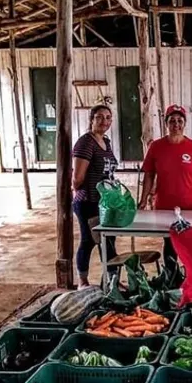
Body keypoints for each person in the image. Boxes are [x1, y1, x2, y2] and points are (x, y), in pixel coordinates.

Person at [139, 104, 192, 273]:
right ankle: (171, 280)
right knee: (170, 244)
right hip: (165, 206)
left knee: (190, 243)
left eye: (179, 120)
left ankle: (190, 279)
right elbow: (149, 175)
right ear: (166, 124)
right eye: (172, 121)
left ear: (184, 123)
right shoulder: (156, 147)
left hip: (190, 206)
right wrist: (143, 199)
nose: (176, 124)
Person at [71, 104, 119, 289]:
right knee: (89, 240)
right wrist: (85, 191)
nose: (104, 121)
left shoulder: (105, 141)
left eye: (108, 117)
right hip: (89, 201)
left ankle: (112, 281)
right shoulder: (86, 143)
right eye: (99, 117)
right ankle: (82, 281)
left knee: (108, 240)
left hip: (105, 202)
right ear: (91, 119)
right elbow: (77, 179)